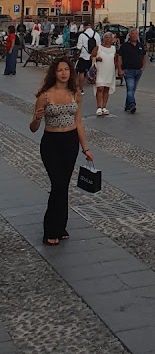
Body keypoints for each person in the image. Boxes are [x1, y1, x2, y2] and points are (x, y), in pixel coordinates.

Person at [29, 57, 93, 246]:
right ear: (54, 73)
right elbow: (33, 128)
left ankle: (61, 225)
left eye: (66, 69)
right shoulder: (45, 96)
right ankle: (50, 228)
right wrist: (37, 119)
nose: (64, 73)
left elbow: (79, 122)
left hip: (70, 142)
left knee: (63, 184)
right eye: (60, 70)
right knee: (57, 184)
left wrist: (86, 148)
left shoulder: (76, 94)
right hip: (51, 143)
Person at [116, 29, 147, 113]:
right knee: (130, 88)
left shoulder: (140, 45)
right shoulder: (125, 46)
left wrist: (142, 67)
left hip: (138, 71)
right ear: (129, 35)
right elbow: (119, 57)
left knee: (132, 89)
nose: (135, 35)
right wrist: (120, 69)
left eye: (136, 34)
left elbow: (144, 56)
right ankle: (132, 105)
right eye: (133, 34)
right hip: (128, 70)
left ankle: (127, 105)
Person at [93, 31, 118, 116]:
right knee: (100, 88)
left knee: (106, 88)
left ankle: (104, 106)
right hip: (100, 71)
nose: (107, 39)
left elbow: (115, 60)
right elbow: (92, 56)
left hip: (109, 71)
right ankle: (99, 107)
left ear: (112, 39)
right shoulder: (98, 47)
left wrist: (118, 69)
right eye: (106, 37)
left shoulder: (113, 49)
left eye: (109, 38)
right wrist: (96, 59)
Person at [75, 22, 99, 92]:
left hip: (84, 56)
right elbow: (99, 45)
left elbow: (79, 47)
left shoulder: (82, 35)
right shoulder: (96, 34)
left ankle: (81, 89)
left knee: (81, 72)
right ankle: (97, 87)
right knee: (95, 71)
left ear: (84, 27)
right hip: (94, 56)